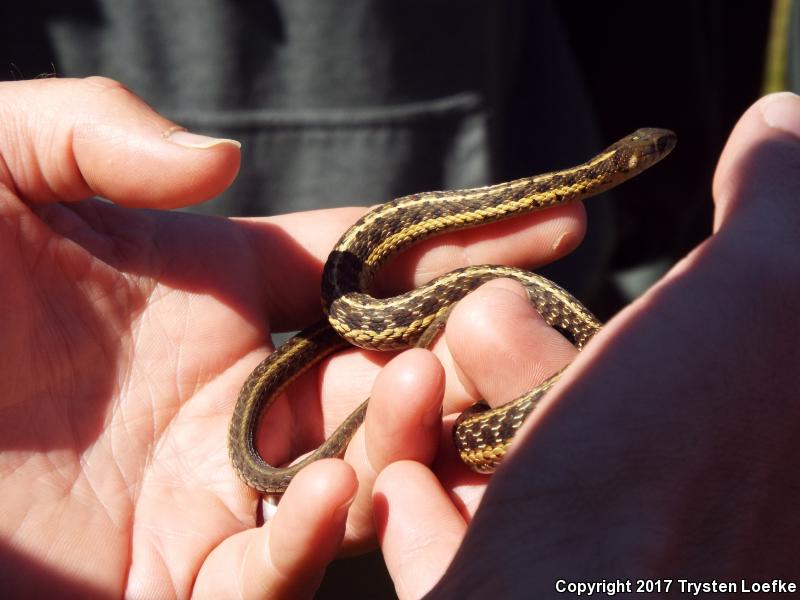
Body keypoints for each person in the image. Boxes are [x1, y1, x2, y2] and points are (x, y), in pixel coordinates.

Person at [1, 77, 798, 598]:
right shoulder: (572, 181)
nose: (659, 157)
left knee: (505, 336)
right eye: (651, 155)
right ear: (623, 166)